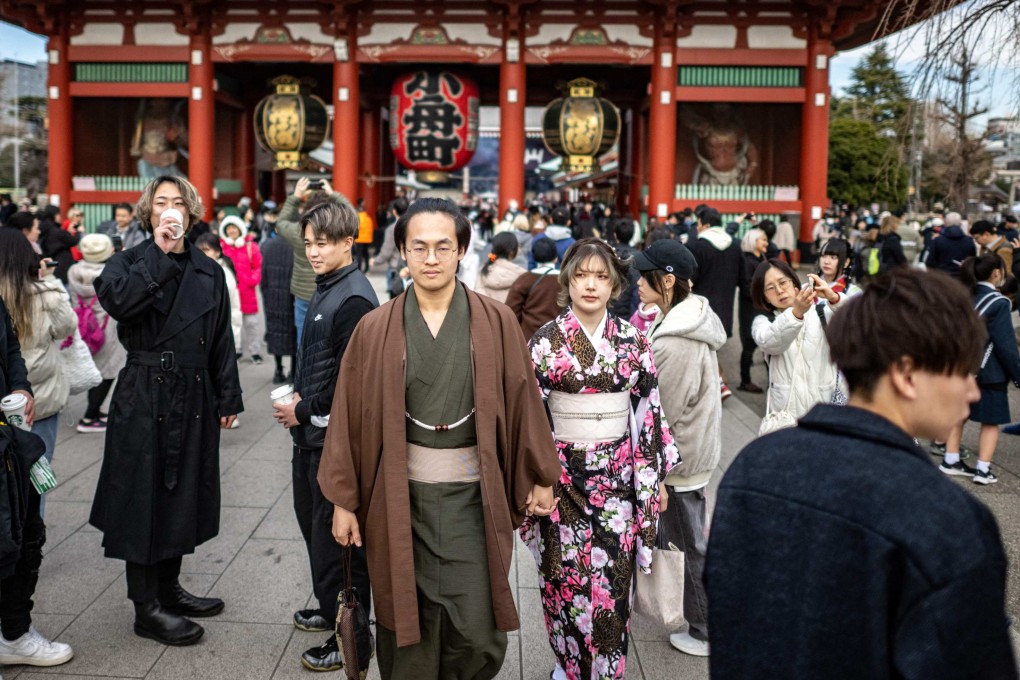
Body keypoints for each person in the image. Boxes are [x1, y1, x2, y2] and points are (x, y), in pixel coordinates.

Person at [705, 267, 1018, 679]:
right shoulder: (948, 519)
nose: (973, 391)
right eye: (962, 371)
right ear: (906, 374)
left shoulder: (751, 469)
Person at [317, 198, 561, 680]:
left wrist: (540, 475)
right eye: (419, 247)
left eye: (443, 247)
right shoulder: (374, 328)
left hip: (475, 499)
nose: (431, 258)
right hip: (396, 498)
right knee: (405, 623)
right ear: (403, 253)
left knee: (475, 628)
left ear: (462, 251)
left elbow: (524, 400)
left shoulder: (497, 322)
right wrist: (344, 501)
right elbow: (346, 416)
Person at [90, 175, 243, 646]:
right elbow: (121, 304)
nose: (171, 211)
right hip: (143, 392)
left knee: (183, 493)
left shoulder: (209, 271)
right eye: (162, 203)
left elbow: (221, 338)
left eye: (180, 203)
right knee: (143, 495)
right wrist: (157, 253)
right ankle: (145, 606)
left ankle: (169, 588)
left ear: (192, 213)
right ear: (149, 213)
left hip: (193, 393)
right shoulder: (126, 263)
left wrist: (228, 396)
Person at [523, 238, 679, 679]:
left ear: (615, 285)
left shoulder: (632, 340)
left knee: (613, 583)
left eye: (601, 277)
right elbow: (531, 417)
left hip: (620, 481)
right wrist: (538, 477)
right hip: (561, 478)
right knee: (563, 579)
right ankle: (568, 666)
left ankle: (608, 671)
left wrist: (656, 480)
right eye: (581, 276)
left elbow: (648, 411)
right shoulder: (544, 342)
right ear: (567, 281)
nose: (590, 285)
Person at [272, 201, 378, 672]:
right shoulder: (327, 286)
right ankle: (326, 607)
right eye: (310, 242)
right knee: (315, 532)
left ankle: (348, 636)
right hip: (310, 436)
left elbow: (351, 385)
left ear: (347, 243)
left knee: (338, 544)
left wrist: (303, 409)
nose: (313, 251)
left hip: (331, 440)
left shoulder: (354, 298)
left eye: (324, 243)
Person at [634, 239, 722, 658]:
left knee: (688, 546)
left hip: (679, 457)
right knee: (688, 541)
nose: (637, 281)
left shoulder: (676, 339)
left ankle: (705, 627)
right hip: (688, 450)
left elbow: (661, 409)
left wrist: (656, 471)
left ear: (668, 280)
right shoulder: (682, 321)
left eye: (645, 273)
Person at [0, 290, 74, 669]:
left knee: (23, 532)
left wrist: (20, 386)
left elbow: (10, 349)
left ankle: (14, 633)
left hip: (7, 439)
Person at [0, 230, 77, 519]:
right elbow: (67, 327)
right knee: (36, 474)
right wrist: (49, 280)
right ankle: (31, 545)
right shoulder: (44, 295)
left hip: (5, 397)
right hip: (38, 401)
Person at [938, 255, 1020, 485]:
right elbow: (1005, 345)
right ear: (996, 273)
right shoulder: (1000, 302)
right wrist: (1017, 375)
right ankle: (983, 470)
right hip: (989, 371)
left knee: (959, 414)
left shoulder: (963, 297)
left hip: (960, 367)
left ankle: (951, 459)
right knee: (991, 422)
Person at [750, 259, 845, 426]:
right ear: (764, 296)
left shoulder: (822, 314)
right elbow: (771, 342)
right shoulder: (763, 322)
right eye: (770, 288)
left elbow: (860, 324)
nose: (779, 291)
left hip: (825, 410)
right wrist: (796, 313)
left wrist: (834, 297)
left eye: (782, 283)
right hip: (787, 417)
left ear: (795, 284)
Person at [278, 177, 351, 345]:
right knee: (331, 338)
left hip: (304, 293)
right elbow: (352, 216)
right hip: (333, 290)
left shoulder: (299, 231)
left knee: (304, 339)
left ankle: (305, 369)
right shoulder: (337, 231)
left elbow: (281, 223)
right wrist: (333, 195)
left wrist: (296, 196)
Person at [67, 234, 127, 434]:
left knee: (95, 370)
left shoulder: (74, 271)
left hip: (83, 326)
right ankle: (89, 417)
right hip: (106, 329)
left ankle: (95, 410)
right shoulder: (112, 273)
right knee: (107, 372)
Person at [688, 207, 749, 399]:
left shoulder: (698, 247)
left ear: (705, 225)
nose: (697, 228)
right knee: (711, 348)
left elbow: (691, 280)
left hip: (701, 308)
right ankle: (718, 385)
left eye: (698, 224)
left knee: (703, 348)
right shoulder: (735, 245)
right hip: (725, 308)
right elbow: (743, 279)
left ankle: (718, 385)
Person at [194, 234, 243, 385]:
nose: (202, 254)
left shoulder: (224, 275)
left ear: (217, 252)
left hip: (219, 336)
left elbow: (233, 311)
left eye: (206, 250)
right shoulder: (197, 271)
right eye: (199, 250)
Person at [218, 216, 263, 364]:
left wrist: (253, 280)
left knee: (252, 324)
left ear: (240, 229)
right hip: (229, 291)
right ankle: (236, 350)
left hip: (248, 291)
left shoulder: (251, 246)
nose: (231, 230)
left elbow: (258, 266)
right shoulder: (221, 248)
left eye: (234, 227)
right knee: (232, 322)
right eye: (228, 228)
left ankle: (255, 352)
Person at [505, 236, 562, 340]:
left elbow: (511, 312)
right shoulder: (566, 281)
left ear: (534, 257)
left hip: (529, 339)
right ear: (556, 258)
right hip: (559, 340)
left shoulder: (524, 279)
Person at [259, 229, 297, 384]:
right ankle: (293, 371)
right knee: (294, 332)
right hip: (292, 295)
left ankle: (278, 369)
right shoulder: (298, 246)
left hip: (272, 296)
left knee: (275, 332)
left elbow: (262, 273)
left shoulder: (266, 245)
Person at [737, 228, 768, 393]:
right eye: (763, 239)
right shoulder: (747, 261)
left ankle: (773, 380)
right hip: (750, 308)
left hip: (763, 307)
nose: (766, 243)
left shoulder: (762, 258)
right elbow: (746, 287)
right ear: (753, 241)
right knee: (749, 345)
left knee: (767, 344)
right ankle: (745, 381)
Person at [474, 232, 526, 304]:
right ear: (512, 251)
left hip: (486, 313)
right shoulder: (522, 275)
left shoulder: (485, 269)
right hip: (509, 314)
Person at [925, 211, 975, 278]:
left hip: (943, 279)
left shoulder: (937, 240)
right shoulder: (969, 241)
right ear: (960, 223)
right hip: (963, 279)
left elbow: (930, 262)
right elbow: (973, 261)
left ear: (945, 224)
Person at [38, 206, 80, 284]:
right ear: (54, 215)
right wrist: (77, 232)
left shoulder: (44, 229)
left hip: (50, 263)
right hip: (62, 265)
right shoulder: (56, 231)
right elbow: (73, 241)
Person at [354, 198, 375, 273]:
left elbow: (355, 228)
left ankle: (359, 268)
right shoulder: (368, 218)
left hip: (359, 239)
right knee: (366, 254)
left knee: (359, 255)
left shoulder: (357, 218)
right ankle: (367, 268)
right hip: (367, 239)